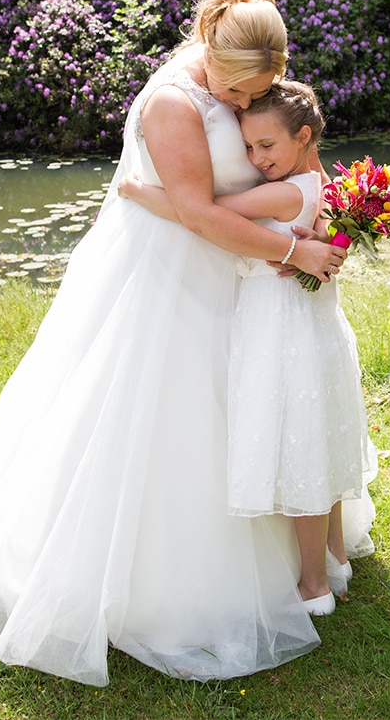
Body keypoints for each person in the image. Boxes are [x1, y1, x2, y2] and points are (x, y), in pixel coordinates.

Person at [0, 0, 355, 686]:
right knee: (169, 423)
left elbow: (293, 157)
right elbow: (195, 212)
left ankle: (303, 557)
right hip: (173, 281)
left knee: (259, 411)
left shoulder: (242, 80)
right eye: (243, 91)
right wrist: (293, 250)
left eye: (262, 89)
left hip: (248, 286)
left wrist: (328, 221)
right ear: (214, 63)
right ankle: (174, 583)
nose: (247, 102)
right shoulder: (172, 101)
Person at [118, 82, 375, 616]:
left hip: (283, 328)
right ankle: (334, 559)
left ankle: (313, 586)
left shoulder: (285, 193)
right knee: (319, 443)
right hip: (313, 324)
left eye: (265, 147)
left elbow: (210, 211)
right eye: (249, 148)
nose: (257, 160)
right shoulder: (318, 183)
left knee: (299, 448)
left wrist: (141, 193)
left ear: (303, 137)